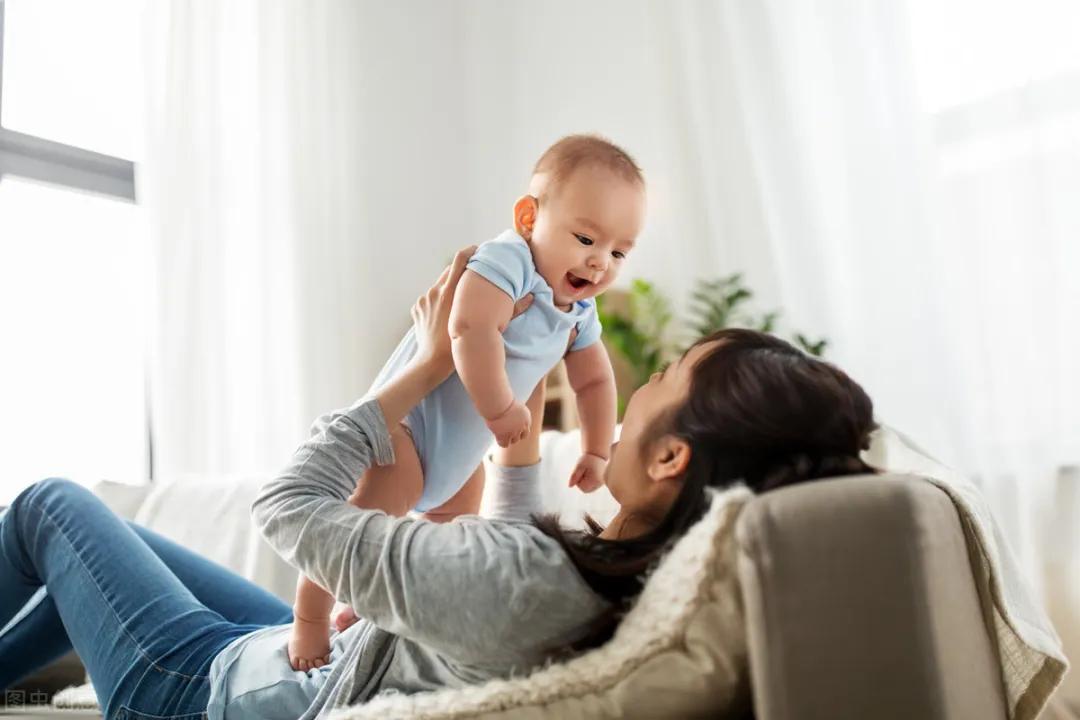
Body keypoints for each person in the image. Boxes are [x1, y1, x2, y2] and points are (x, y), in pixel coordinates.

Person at [0, 247, 877, 720]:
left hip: (198, 692)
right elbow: (508, 562)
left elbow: (286, 507)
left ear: (670, 459)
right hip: (296, 658)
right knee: (110, 556)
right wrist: (519, 401)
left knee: (49, 506)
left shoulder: (525, 587)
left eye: (664, 377)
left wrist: (419, 369)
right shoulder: (619, 578)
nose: (635, 386)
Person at [288, 134, 646, 670]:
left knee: (446, 542)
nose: (600, 263)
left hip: (461, 459)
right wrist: (501, 408)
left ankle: (368, 610)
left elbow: (594, 382)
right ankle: (309, 620)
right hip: (408, 433)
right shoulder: (508, 260)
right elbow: (469, 329)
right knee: (354, 533)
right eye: (585, 238)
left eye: (618, 253)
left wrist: (596, 449)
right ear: (529, 217)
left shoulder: (578, 311)